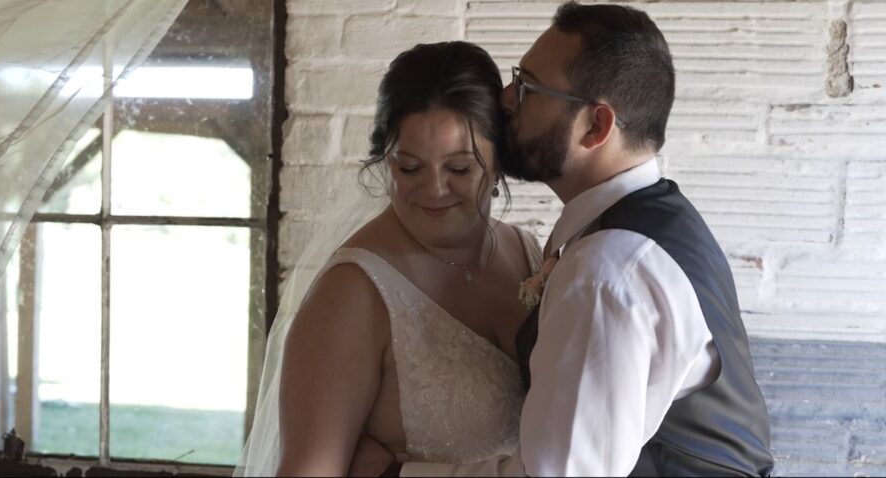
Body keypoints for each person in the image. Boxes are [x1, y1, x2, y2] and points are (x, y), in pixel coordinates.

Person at [352, 2, 775, 476]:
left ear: (596, 126)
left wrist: (393, 474)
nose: (505, 98)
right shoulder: (660, 221)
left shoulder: (605, 272)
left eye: (528, 88)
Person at [234, 41, 545, 476]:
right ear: (385, 161)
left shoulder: (529, 253)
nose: (434, 190)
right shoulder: (352, 294)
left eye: (459, 168)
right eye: (409, 168)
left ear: (498, 163)